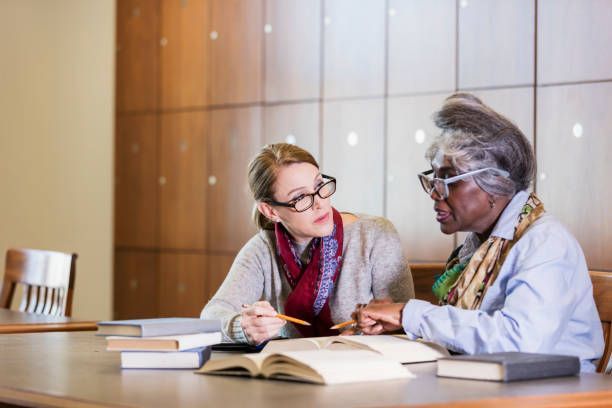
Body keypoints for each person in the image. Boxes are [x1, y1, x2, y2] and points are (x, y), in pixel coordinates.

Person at [352, 93, 604, 372]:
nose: (435, 193)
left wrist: (409, 314)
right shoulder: (478, 245)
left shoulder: (546, 244)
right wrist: (402, 316)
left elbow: (520, 341)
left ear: (494, 183)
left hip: (555, 395)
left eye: (448, 179)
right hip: (487, 384)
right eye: (433, 178)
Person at [201, 143, 414, 345]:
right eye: (301, 197)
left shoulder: (375, 234)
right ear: (271, 211)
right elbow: (212, 316)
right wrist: (242, 326)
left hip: (367, 370)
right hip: (294, 373)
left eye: (319, 185)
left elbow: (407, 324)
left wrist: (383, 324)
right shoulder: (263, 249)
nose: (320, 204)